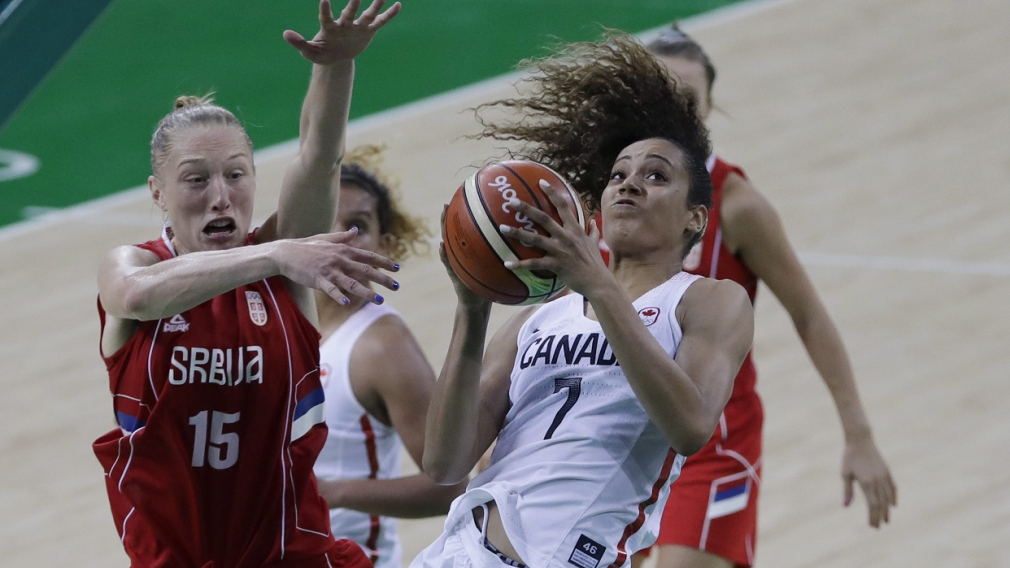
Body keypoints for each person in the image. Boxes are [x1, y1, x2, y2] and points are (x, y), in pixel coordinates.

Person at [411, 32, 755, 568]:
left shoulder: (707, 301)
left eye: (655, 176)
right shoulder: (537, 320)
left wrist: (598, 283)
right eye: (618, 175)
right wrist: (472, 310)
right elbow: (443, 461)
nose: (629, 184)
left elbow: (690, 427)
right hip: (458, 552)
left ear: (696, 217)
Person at [92, 1, 402, 566]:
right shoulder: (132, 264)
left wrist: (335, 66)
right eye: (196, 180)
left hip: (292, 554)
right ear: (158, 192)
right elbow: (136, 296)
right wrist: (277, 253)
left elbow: (319, 156)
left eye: (236, 174)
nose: (220, 196)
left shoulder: (283, 270)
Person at [617, 26, 898, 568]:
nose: (673, 115)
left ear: (709, 109)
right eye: (660, 99)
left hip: (710, 447)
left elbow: (810, 315)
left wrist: (858, 434)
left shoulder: (738, 205)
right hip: (621, 440)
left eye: (688, 102)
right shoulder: (610, 194)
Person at [309, 145, 468, 568]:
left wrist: (333, 491)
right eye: (326, 219)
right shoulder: (281, 327)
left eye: (357, 225)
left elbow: (450, 483)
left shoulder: (382, 344)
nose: (339, 237)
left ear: (386, 245)